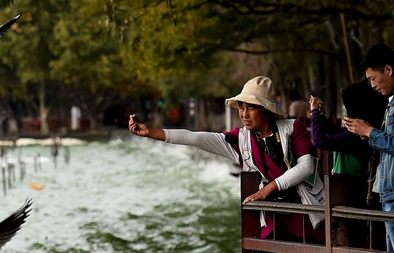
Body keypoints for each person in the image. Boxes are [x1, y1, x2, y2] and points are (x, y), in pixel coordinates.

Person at [129, 76, 324, 241]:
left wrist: (269, 188)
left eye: (251, 108)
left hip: (305, 216)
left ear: (266, 109)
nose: (244, 114)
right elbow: (196, 138)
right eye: (241, 107)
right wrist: (152, 132)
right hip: (272, 222)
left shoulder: (293, 128)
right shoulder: (240, 140)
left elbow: (306, 166)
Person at [343, 43, 394, 251]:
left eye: (373, 78)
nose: (372, 85)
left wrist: (370, 132)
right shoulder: (390, 103)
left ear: (389, 70)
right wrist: (370, 136)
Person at [309, 79, 385, 180]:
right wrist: (317, 115)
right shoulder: (363, 130)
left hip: (349, 188)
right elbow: (336, 131)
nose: (344, 109)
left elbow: (319, 141)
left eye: (346, 105)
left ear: (354, 107)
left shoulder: (354, 137)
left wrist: (315, 113)